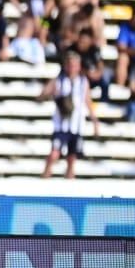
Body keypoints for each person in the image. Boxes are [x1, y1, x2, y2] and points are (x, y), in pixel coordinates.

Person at [40, 51, 99, 179]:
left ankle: (70, 184)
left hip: (76, 126)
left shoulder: (83, 81)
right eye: (70, 64)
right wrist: (52, 95)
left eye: (75, 65)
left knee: (72, 158)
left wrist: (95, 122)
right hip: (61, 126)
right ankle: (44, 178)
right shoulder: (59, 80)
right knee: (54, 155)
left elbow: (88, 102)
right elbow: (43, 94)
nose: (72, 67)